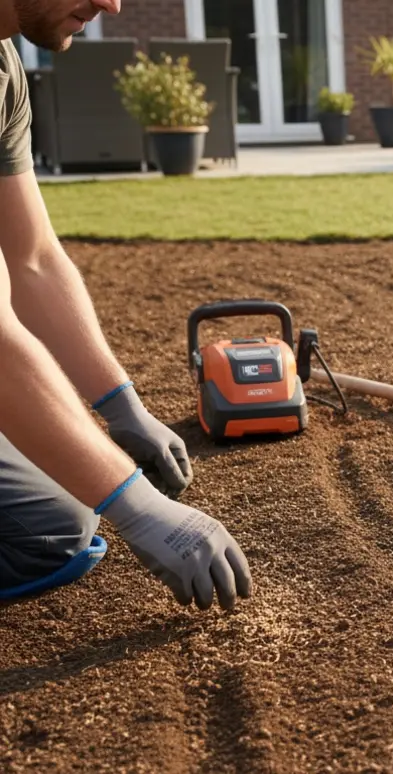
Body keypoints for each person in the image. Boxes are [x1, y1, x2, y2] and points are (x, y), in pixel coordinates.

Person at [0, 0, 251, 611]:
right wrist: (138, 507)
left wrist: (122, 408)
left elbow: (32, 257)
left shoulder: (4, 64)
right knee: (48, 534)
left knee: (58, 515)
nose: (110, 4)